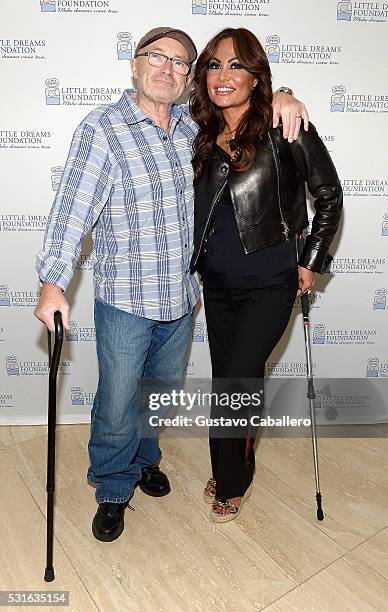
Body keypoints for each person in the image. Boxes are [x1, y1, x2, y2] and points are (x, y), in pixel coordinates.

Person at [34, 26, 309, 542]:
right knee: (117, 399)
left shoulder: (192, 129)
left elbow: (244, 97)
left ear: (190, 78)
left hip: (182, 297)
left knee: (157, 394)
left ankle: (144, 461)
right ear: (135, 65)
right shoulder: (104, 129)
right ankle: (113, 488)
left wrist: (286, 95)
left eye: (182, 62)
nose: (169, 68)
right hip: (126, 297)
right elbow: (72, 211)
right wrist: (53, 283)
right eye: (156, 57)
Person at [189, 28, 343, 523]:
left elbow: (329, 196)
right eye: (213, 65)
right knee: (235, 379)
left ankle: (231, 480)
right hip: (217, 284)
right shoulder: (201, 132)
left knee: (232, 383)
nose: (223, 76)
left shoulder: (283, 127)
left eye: (236, 66)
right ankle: (238, 462)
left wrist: (311, 262)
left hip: (270, 282)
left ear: (256, 77)